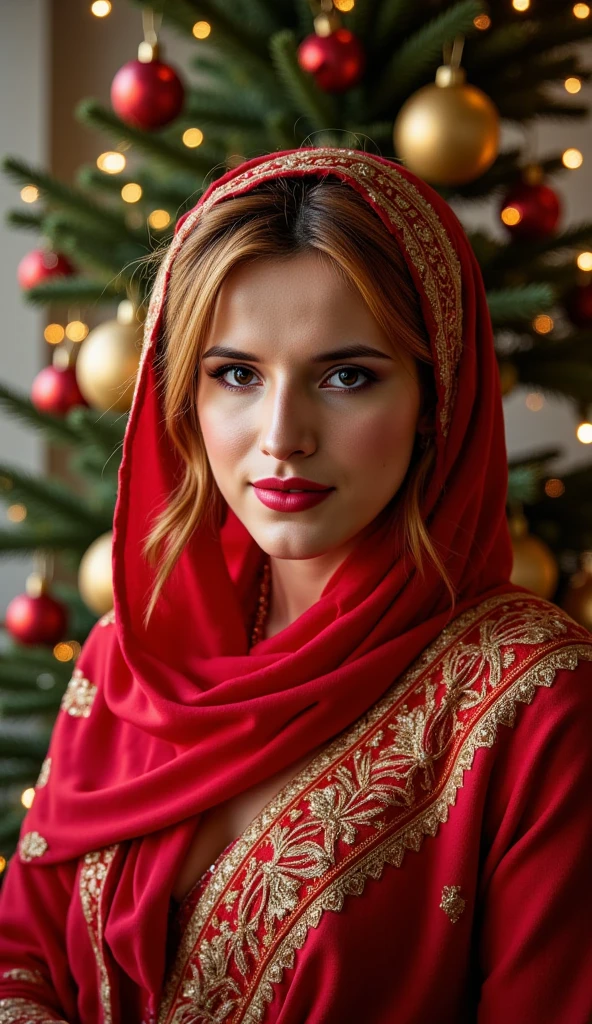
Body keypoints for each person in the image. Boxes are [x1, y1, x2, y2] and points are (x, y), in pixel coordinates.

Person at [0, 146, 591, 1024]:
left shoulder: (536, 696)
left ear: (439, 399)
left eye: (347, 376)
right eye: (236, 374)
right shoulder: (135, 649)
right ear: (183, 399)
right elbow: (23, 954)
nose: (282, 436)